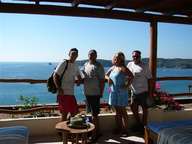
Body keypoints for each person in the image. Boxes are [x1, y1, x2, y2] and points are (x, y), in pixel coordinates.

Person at [105, 52, 133, 135]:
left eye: (119, 58)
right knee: (117, 112)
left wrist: (127, 86)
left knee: (123, 111)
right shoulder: (113, 67)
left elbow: (131, 76)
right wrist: (109, 78)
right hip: (114, 92)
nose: (117, 59)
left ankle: (125, 130)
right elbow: (106, 75)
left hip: (121, 92)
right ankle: (119, 128)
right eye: (116, 58)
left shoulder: (122, 68)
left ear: (122, 59)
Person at [81, 49, 105, 140]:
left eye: (93, 54)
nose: (91, 56)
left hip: (95, 94)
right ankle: (97, 132)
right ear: (88, 55)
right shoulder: (86, 64)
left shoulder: (98, 66)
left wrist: (101, 93)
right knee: (89, 113)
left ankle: (94, 135)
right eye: (90, 54)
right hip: (87, 93)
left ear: (96, 56)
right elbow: (82, 75)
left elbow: (102, 81)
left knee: (94, 115)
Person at [53, 48, 82, 121]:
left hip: (71, 93)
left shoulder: (75, 65)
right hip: (63, 92)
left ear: (77, 56)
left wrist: (79, 80)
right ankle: (62, 131)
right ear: (69, 54)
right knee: (64, 113)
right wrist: (59, 88)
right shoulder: (64, 63)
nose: (74, 55)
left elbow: (79, 75)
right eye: (72, 54)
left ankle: (68, 128)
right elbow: (55, 75)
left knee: (74, 112)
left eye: (75, 54)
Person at [127, 50, 152, 128]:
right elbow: (126, 74)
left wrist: (150, 93)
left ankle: (144, 127)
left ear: (140, 57)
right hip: (133, 92)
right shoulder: (129, 64)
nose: (135, 57)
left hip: (143, 92)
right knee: (133, 108)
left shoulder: (144, 66)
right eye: (134, 56)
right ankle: (139, 124)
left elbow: (150, 79)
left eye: (137, 56)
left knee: (145, 110)